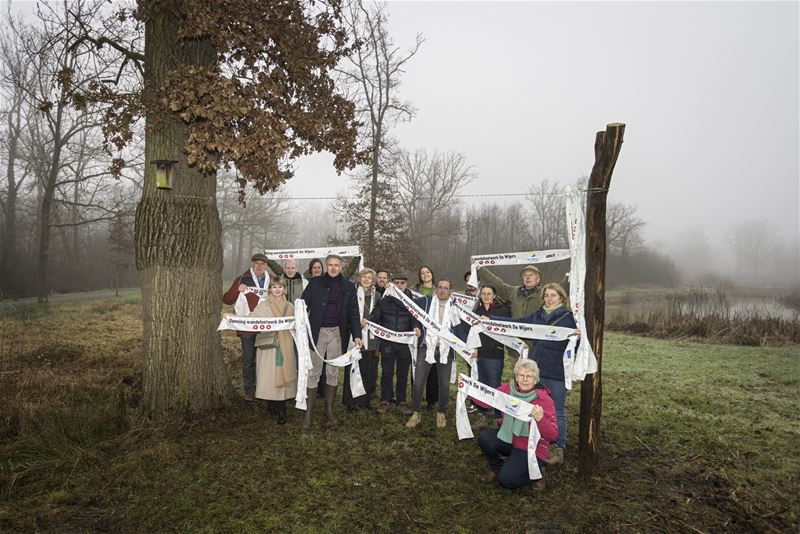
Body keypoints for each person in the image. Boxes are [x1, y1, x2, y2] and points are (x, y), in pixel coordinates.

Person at [485, 283, 576, 465]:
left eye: (554, 295)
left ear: (561, 298)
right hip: (536, 370)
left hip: (556, 372)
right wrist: (490, 319)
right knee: (532, 406)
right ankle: (526, 440)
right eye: (547, 295)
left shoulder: (569, 319)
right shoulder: (538, 315)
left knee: (556, 410)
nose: (550, 299)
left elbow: (577, 346)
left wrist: (578, 336)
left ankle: (558, 446)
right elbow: (518, 324)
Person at [301, 254, 362, 429]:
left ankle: (329, 410)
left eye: (337, 265)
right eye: (330, 265)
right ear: (326, 266)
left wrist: (357, 334)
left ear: (341, 267)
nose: (333, 268)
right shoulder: (315, 283)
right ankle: (309, 411)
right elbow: (303, 306)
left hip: (337, 333)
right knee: (314, 371)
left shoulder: (349, 287)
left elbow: (353, 313)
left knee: (333, 372)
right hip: (317, 333)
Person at [477, 359, 558, 490]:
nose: (525, 379)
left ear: (535, 380)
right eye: (521, 375)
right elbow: (487, 400)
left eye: (529, 376)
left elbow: (553, 436)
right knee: (485, 438)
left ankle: (537, 474)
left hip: (531, 447)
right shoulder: (508, 389)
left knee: (506, 480)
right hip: (510, 436)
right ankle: (497, 467)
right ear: (516, 377)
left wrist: (540, 419)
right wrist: (467, 388)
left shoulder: (544, 401)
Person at [406, 278, 459, 429]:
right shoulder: (426, 302)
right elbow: (413, 313)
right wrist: (416, 326)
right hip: (426, 347)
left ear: (450, 291)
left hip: (446, 350)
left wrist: (467, 347)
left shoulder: (455, 307)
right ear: (436, 289)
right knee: (418, 383)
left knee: (444, 384)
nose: (442, 290)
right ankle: (416, 413)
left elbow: (460, 328)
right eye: (440, 287)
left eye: (446, 288)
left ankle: (441, 413)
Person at [368, 274, 420, 415]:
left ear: (406, 284)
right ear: (392, 284)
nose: (399, 285)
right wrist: (367, 320)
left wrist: (416, 327)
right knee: (387, 373)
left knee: (403, 374)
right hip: (388, 343)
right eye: (396, 283)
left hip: (405, 343)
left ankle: (401, 402)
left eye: (402, 283)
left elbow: (415, 319)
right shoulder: (384, 301)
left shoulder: (411, 302)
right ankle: (385, 400)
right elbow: (375, 316)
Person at [223, 252, 270, 401]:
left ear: (266, 266)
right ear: (252, 264)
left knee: (264, 359)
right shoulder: (243, 279)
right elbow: (227, 300)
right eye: (257, 263)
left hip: (265, 327)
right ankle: (249, 390)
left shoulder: (271, 280)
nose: (259, 266)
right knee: (249, 359)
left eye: (262, 264)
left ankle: (263, 388)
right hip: (247, 328)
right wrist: (238, 289)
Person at [251, 279, 296, 424]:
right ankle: (272, 404)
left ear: (284, 289)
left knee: (282, 371)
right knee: (270, 375)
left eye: (280, 287)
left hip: (285, 345)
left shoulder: (290, 306)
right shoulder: (263, 306)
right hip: (269, 346)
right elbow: (252, 322)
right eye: (274, 287)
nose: (277, 289)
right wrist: (233, 319)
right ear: (269, 289)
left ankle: (280, 408)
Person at [468, 285, 510, 428]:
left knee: (494, 385)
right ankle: (482, 412)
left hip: (495, 353)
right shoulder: (476, 310)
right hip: (479, 353)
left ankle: (499, 416)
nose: (486, 296)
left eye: (489, 293)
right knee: (481, 384)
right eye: (483, 293)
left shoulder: (502, 309)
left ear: (494, 295)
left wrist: (490, 318)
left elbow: (506, 323)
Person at [344, 268, 379, 411]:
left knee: (366, 370)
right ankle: (350, 402)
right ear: (359, 278)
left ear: (373, 281)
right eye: (364, 276)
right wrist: (355, 322)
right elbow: (345, 312)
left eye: (369, 278)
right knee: (352, 368)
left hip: (370, 338)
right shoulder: (351, 293)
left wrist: (369, 320)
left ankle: (365, 400)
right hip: (353, 336)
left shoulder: (377, 296)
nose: (366, 280)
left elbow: (379, 313)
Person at [413, 265, 438, 409]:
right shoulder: (414, 290)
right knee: (417, 366)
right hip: (419, 332)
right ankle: (417, 396)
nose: (425, 275)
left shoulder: (438, 289)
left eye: (427, 272)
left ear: (432, 274)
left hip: (435, 334)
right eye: (422, 273)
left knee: (433, 368)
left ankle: (432, 400)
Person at [477, 264, 543, 318]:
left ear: (538, 279)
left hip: (535, 332)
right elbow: (498, 285)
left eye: (531, 275)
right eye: (525, 275)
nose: (527, 277)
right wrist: (480, 269)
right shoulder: (515, 292)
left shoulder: (544, 294)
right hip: (515, 332)